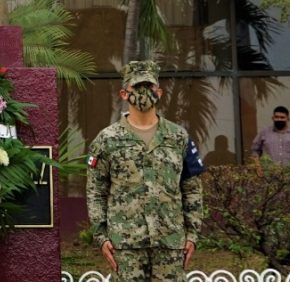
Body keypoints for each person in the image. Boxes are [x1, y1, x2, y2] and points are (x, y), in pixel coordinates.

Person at [86, 60, 204, 281]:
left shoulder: (178, 137)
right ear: (123, 94)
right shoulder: (107, 140)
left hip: (170, 242)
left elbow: (192, 189)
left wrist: (192, 234)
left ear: (159, 92)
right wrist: (101, 236)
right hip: (126, 245)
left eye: (148, 87)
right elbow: (96, 191)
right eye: (136, 87)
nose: (143, 93)